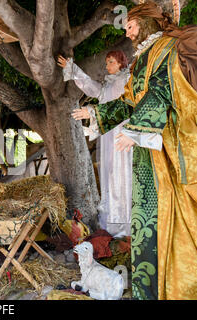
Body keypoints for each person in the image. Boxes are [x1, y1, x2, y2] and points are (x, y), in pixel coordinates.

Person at [71, 1, 197, 300]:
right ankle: (150, 289)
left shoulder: (166, 49)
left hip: (164, 154)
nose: (126, 32)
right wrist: (96, 114)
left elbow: (161, 92)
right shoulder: (144, 56)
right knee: (145, 223)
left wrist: (137, 129)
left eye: (130, 25)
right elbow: (130, 100)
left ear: (146, 23)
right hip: (147, 155)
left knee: (163, 221)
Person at [57, 50, 132, 237]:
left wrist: (91, 112)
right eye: (107, 62)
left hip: (123, 134)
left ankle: (126, 226)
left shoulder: (127, 81)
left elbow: (124, 107)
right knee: (109, 175)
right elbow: (92, 88)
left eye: (112, 62)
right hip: (108, 135)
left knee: (122, 175)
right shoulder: (108, 85)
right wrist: (73, 70)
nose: (108, 66)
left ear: (122, 63)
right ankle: (112, 225)